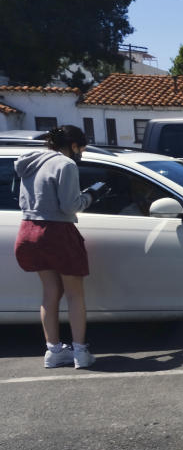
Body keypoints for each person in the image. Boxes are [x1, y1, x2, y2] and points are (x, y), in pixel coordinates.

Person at [14, 125, 108, 369]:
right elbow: (69, 206)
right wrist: (91, 196)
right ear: (73, 146)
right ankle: (80, 352)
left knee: (49, 292)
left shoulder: (29, 163)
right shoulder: (66, 165)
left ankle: (53, 351)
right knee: (74, 294)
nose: (81, 155)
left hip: (29, 231)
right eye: (81, 149)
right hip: (58, 233)